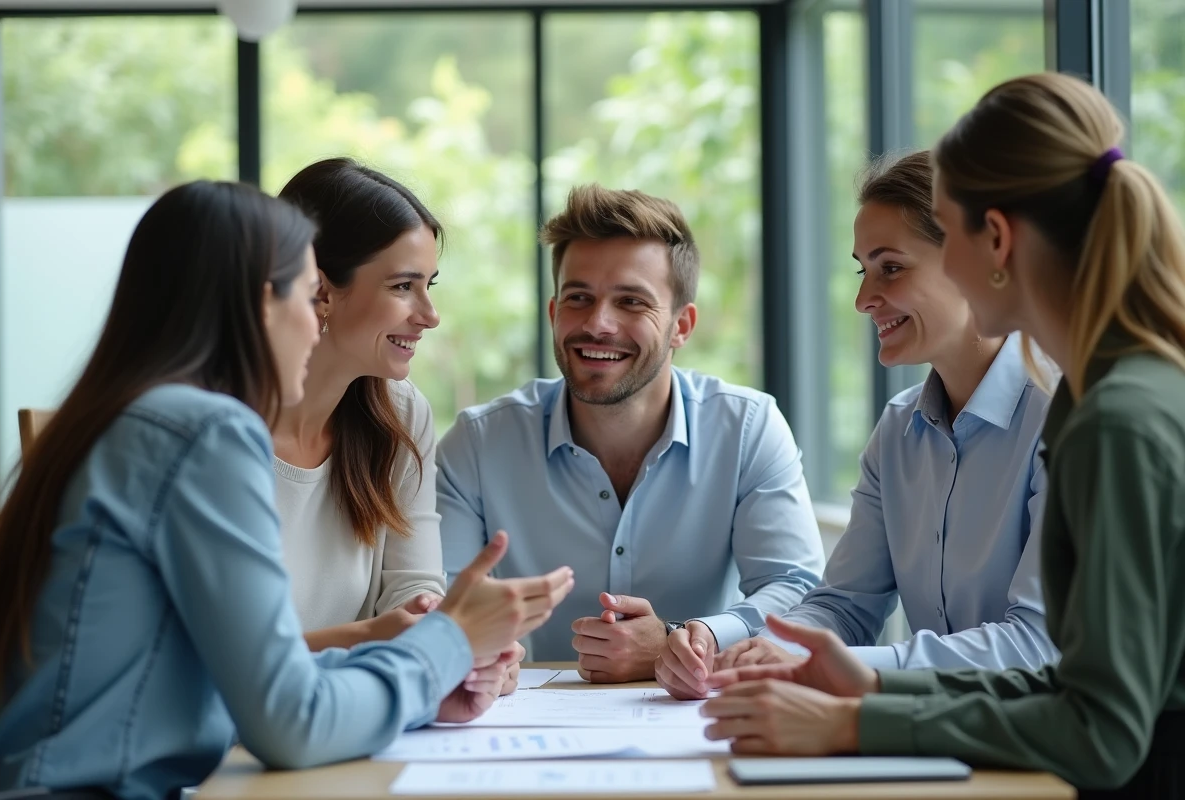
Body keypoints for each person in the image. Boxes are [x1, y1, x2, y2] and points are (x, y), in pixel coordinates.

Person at [0, 180, 573, 800]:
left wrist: (430, 674)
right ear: (259, 303)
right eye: (306, 291)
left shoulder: (128, 417)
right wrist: (447, 646)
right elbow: (292, 721)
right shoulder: (206, 433)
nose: (313, 314)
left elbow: (215, 682)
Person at [699, 72, 1185, 798]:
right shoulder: (1121, 394)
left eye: (945, 237)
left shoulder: (1109, 419)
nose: (866, 298)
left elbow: (1100, 729)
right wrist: (864, 686)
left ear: (994, 238)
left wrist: (854, 722)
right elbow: (1073, 686)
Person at [667, 152, 1058, 700]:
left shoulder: (1066, 417)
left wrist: (857, 667)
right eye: (862, 269)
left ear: (973, 262)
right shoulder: (899, 429)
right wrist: (772, 650)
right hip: (945, 741)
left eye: (890, 267)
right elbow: (845, 605)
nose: (862, 299)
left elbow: (1040, 645)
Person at [437, 184, 825, 680]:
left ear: (681, 326)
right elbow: (444, 600)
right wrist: (482, 655)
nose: (598, 324)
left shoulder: (747, 428)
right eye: (579, 298)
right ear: (555, 315)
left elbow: (794, 588)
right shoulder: (478, 444)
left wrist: (690, 638)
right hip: (522, 717)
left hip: (696, 721)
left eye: (631, 302)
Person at [273, 159, 523, 699]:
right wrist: (375, 641)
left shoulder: (401, 415)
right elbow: (211, 657)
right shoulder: (212, 429)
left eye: (428, 285)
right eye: (403, 286)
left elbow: (411, 590)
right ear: (320, 290)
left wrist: (455, 638)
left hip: (341, 718)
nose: (430, 315)